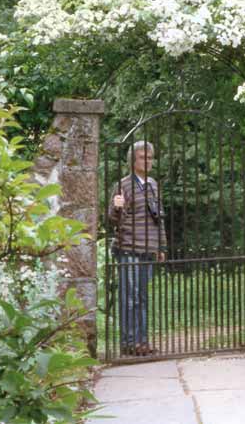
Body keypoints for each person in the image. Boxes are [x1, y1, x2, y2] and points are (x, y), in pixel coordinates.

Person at [109, 141, 167, 356]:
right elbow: (113, 219)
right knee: (129, 297)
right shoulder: (123, 185)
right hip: (129, 248)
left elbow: (159, 218)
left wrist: (161, 246)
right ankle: (129, 342)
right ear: (133, 161)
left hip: (148, 249)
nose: (148, 161)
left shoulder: (153, 185)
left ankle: (141, 341)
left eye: (150, 158)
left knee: (141, 297)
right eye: (143, 157)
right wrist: (117, 207)